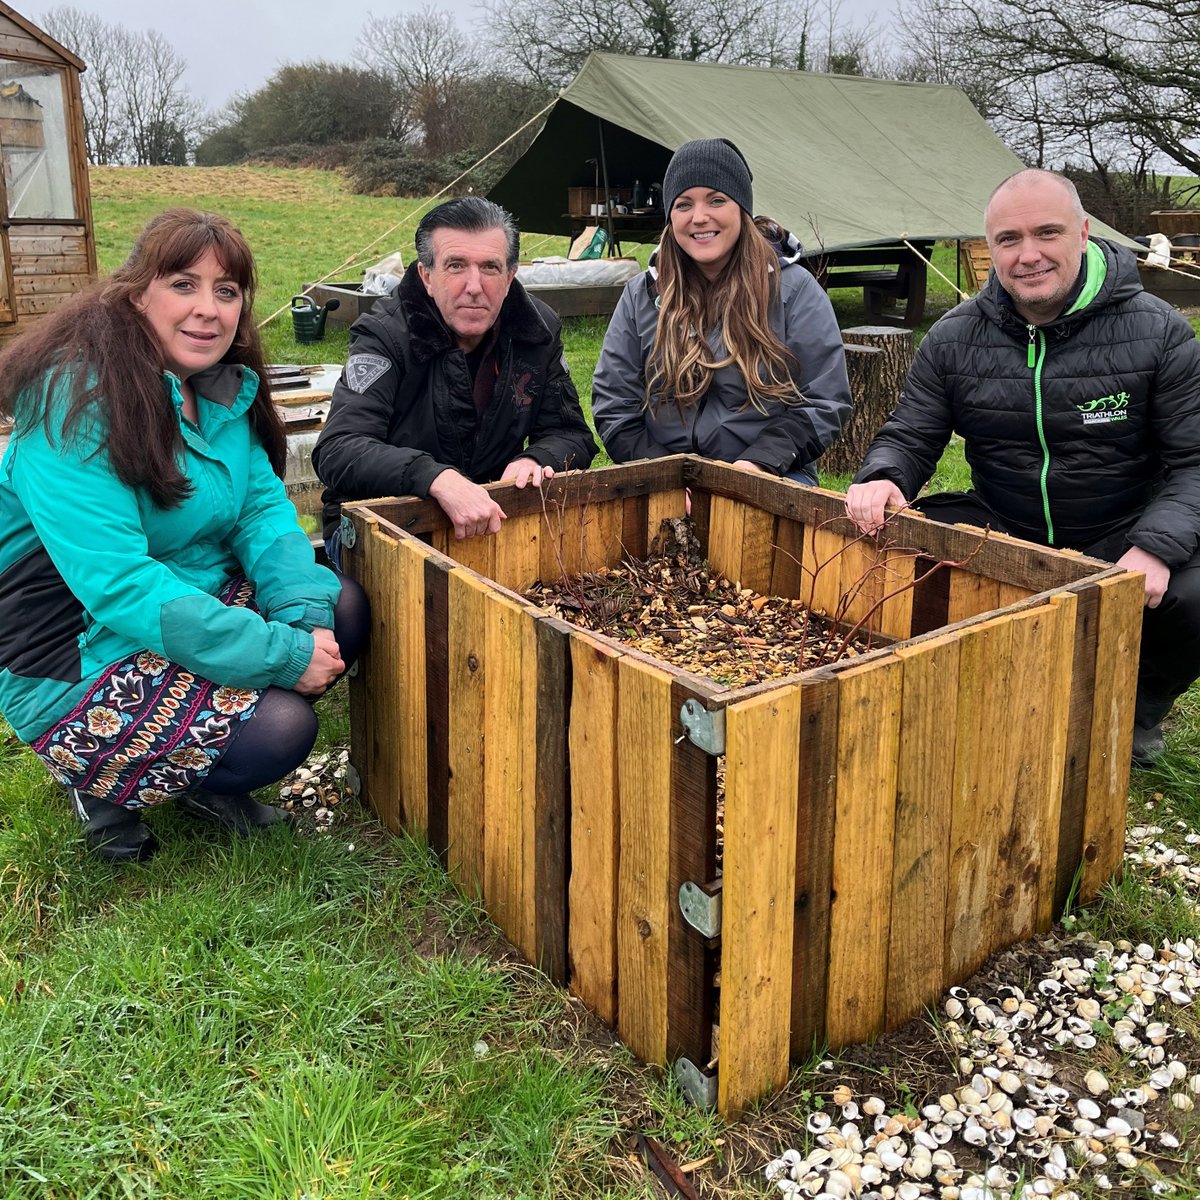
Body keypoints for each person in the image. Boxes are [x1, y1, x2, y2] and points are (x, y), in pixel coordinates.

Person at [0, 208, 369, 863]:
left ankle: (198, 768)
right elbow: (120, 586)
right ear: (137, 292)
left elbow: (264, 517)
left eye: (226, 292)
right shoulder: (74, 404)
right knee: (282, 729)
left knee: (340, 609)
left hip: (181, 597)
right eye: (183, 284)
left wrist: (301, 620)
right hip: (71, 650)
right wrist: (281, 655)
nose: (208, 309)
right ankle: (98, 783)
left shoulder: (221, 392)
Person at [845, 168, 1200, 767]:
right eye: (1008, 239)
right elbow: (911, 433)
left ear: (1084, 233)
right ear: (990, 249)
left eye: (1047, 233)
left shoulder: (1160, 331)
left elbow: (1194, 462)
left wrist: (1158, 546)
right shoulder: (954, 338)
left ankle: (1134, 706)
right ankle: (957, 695)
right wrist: (883, 473)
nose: (1028, 255)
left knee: (1197, 592)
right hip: (1006, 521)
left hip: (1120, 528)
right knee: (897, 544)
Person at [312, 196, 597, 555]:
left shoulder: (536, 332)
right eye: (456, 266)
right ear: (426, 276)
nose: (474, 286)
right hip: (381, 525)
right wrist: (434, 477)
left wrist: (535, 459)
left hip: (489, 520)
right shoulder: (385, 335)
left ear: (510, 277)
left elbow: (570, 434)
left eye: (490, 268)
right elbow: (339, 449)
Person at [591, 138, 851, 482]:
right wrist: (662, 474)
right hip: (660, 476)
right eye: (684, 204)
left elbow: (824, 400)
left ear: (741, 209)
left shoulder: (795, 290)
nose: (699, 218)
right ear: (670, 216)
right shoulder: (642, 294)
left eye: (717, 200)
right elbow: (614, 403)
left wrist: (756, 465)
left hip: (771, 473)